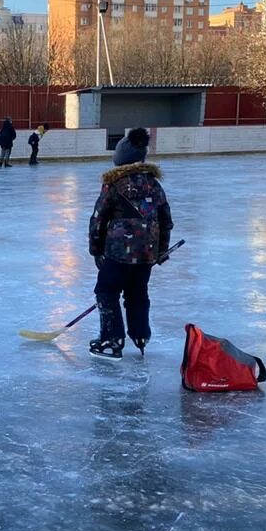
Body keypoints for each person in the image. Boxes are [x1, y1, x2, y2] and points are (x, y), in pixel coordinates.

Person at [87, 127, 173, 360]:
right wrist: (161, 250)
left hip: (118, 253)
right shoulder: (154, 185)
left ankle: (111, 340)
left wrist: (96, 250)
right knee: (137, 292)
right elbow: (165, 220)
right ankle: (140, 335)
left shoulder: (114, 185)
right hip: (146, 254)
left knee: (106, 291)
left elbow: (98, 219)